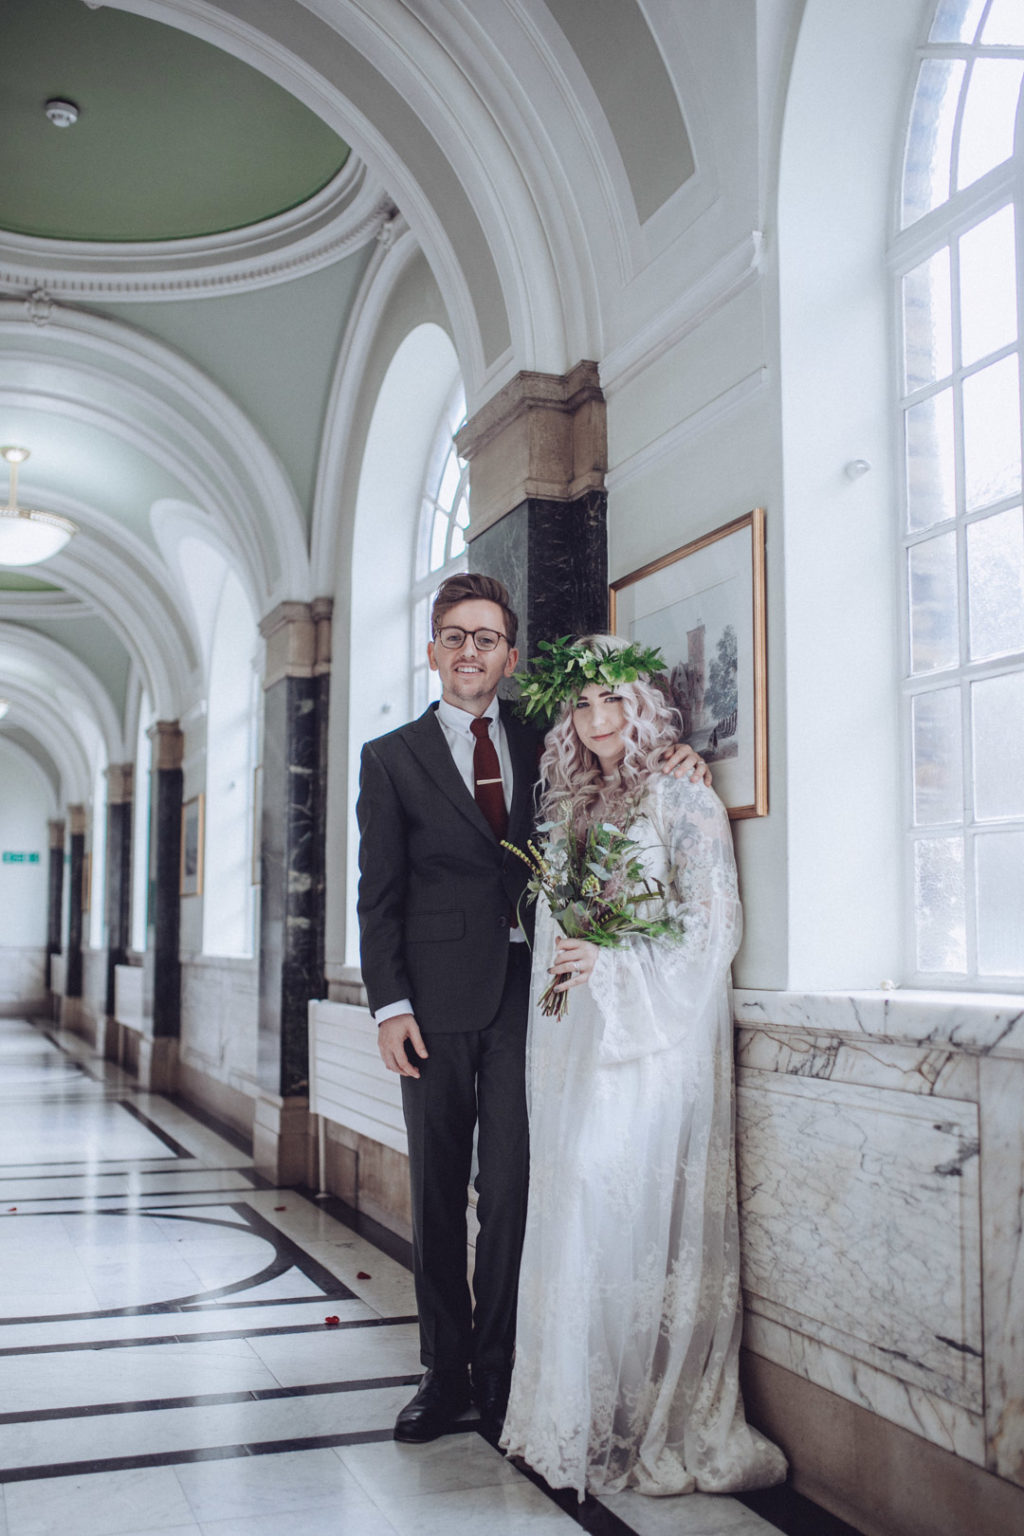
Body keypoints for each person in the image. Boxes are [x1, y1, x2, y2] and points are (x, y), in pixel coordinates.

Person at [356, 578, 707, 1446]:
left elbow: (617, 773)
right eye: (453, 636)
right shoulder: (390, 757)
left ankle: (503, 1368)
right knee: (438, 1191)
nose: (469, 651)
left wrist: (682, 760)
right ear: (432, 652)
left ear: (511, 658)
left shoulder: (545, 742)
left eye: (486, 638)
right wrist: (389, 1004)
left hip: (536, 1002)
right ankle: (442, 1375)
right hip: (431, 1007)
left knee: (513, 1189)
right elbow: (379, 895)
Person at [500, 636, 787, 1499]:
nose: (595, 722)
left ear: (643, 705)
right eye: (581, 708)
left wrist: (616, 967)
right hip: (588, 1039)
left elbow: (712, 929)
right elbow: (559, 924)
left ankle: (644, 1418)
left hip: (658, 1040)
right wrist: (572, 958)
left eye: (611, 702)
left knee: (611, 1200)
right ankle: (575, 1414)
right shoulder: (572, 807)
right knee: (580, 1209)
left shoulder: (683, 797)